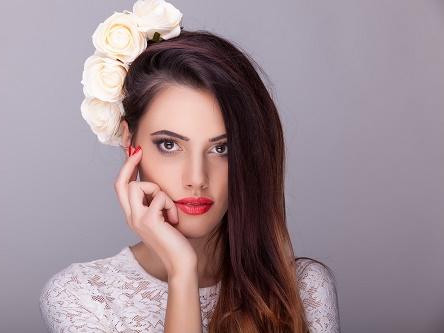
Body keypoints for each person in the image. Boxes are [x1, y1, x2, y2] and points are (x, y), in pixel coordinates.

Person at [39, 1, 340, 332]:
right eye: (169, 145)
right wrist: (182, 271)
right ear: (130, 142)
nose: (197, 179)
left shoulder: (304, 289)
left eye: (221, 148)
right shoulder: (80, 296)